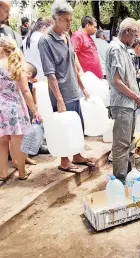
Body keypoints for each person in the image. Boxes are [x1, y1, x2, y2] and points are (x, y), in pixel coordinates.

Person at [38, 0, 95, 173]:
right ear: (55, 19)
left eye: (71, 20)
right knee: (65, 128)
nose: (69, 24)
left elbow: (72, 63)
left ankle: (77, 156)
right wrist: (60, 100)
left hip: (73, 89)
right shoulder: (45, 41)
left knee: (77, 125)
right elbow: (50, 74)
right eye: (65, 20)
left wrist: (82, 86)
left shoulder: (66, 36)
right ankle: (64, 161)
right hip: (60, 91)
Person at [105, 17, 140, 181]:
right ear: (127, 31)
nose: (136, 39)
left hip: (129, 104)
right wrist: (136, 97)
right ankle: (120, 181)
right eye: (135, 34)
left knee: (128, 144)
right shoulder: (115, 49)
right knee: (121, 145)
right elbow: (117, 81)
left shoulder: (122, 49)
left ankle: (128, 178)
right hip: (123, 104)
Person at [0, 37, 42, 182]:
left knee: (2, 143)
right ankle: (22, 172)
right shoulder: (17, 66)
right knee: (18, 143)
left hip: (0, 109)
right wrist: (35, 111)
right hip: (15, 109)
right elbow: (25, 91)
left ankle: (3, 174)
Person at [23, 17, 54, 81]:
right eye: (51, 30)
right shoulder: (43, 39)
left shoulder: (26, 39)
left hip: (30, 77)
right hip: (43, 78)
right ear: (44, 27)